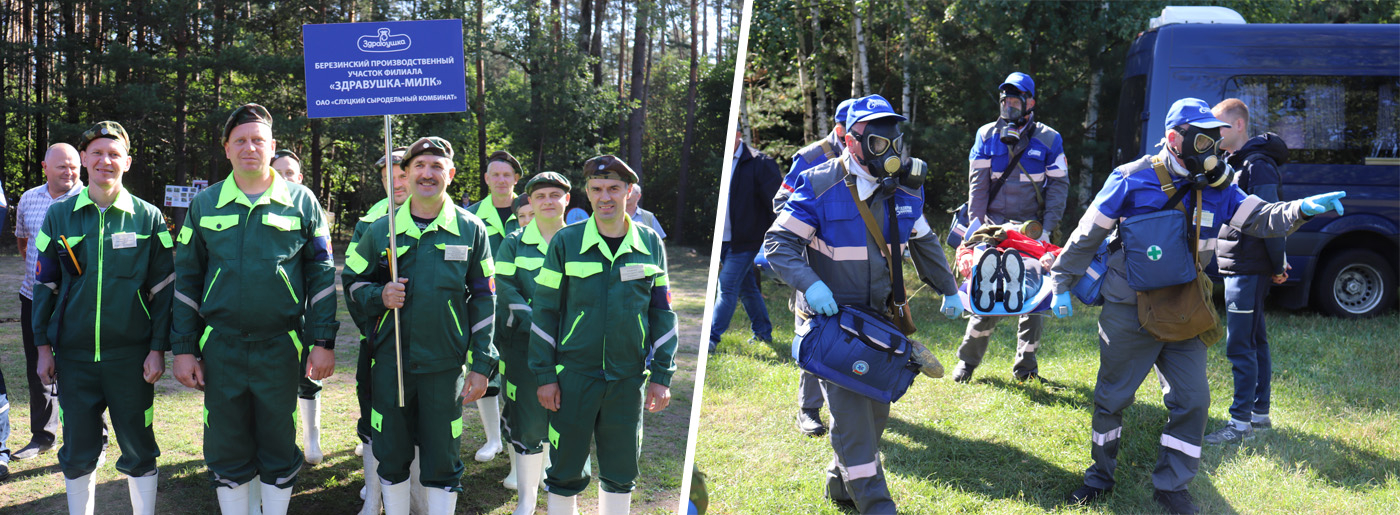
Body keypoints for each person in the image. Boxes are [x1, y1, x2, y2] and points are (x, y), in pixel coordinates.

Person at [1051, 98, 1345, 515]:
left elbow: (1259, 218)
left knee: (1193, 401)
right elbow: (1087, 234)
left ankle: (1172, 485)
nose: (1215, 145)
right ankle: (1099, 478)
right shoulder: (1130, 179)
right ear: (1175, 139)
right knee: (1112, 400)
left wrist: (1301, 210)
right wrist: (1061, 283)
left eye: (1216, 135)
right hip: (1129, 306)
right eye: (1204, 137)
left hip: (1186, 305)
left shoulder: (1219, 186)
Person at [764, 95, 961, 513]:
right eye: (877, 141)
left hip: (880, 324)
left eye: (894, 139)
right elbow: (778, 244)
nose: (889, 150)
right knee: (855, 426)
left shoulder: (904, 190)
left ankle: (840, 487)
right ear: (852, 142)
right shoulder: (820, 184)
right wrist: (812, 285)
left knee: (874, 414)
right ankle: (876, 505)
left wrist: (950, 289)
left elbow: (923, 241)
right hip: (834, 325)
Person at [170, 103, 338, 514]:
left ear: (272, 146)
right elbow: (187, 278)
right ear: (226, 148)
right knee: (226, 444)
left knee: (279, 441)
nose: (250, 147)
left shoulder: (301, 202)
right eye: (240, 140)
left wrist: (323, 340)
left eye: (258, 140)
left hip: (280, 345)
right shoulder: (204, 204)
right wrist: (184, 347)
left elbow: (321, 276)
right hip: (221, 347)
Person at [343, 136, 498, 514]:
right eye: (419, 166)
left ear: (451, 174)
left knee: (443, 454)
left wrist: (481, 365)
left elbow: (484, 298)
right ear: (407, 173)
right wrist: (379, 297)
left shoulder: (471, 229)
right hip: (391, 363)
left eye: (436, 167)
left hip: (444, 367)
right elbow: (352, 282)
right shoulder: (382, 229)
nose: (427, 174)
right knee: (391, 450)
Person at [31, 121, 174, 514]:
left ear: (126, 162)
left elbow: (163, 291)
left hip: (131, 360)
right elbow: (44, 287)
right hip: (74, 359)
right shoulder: (59, 217)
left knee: (139, 447)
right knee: (77, 449)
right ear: (84, 160)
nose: (105, 161)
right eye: (96, 153)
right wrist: (43, 347)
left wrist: (158, 348)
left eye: (114, 154)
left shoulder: (148, 218)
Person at [528, 155, 677, 515]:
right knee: (564, 467)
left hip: (627, 379)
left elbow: (661, 312)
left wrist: (661, 375)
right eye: (597, 189)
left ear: (630, 192)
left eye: (614, 188)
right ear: (587, 193)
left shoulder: (649, 243)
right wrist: (546, 375)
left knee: (621, 468)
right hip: (573, 377)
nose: (605, 196)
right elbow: (545, 312)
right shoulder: (566, 242)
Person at [951, 72, 1068, 384]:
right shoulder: (987, 136)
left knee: (1035, 297)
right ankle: (967, 363)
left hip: (1031, 235)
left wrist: (1046, 231)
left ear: (1030, 102)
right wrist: (975, 238)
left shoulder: (1048, 139)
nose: (1009, 105)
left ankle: (1026, 368)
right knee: (987, 293)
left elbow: (1058, 188)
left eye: (1016, 99)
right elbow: (977, 191)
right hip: (993, 231)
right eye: (1005, 99)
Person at [1205, 98, 1290, 444]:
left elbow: (1273, 218)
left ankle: (1240, 425)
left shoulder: (1257, 166)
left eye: (1219, 126)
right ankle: (1259, 415)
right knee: (1255, 340)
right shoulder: (1231, 163)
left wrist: (1277, 261)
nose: (1214, 133)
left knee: (1241, 344)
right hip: (1240, 264)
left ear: (1239, 125)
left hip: (1249, 266)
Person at [495, 171, 572, 514]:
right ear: (530, 201)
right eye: (540, 196)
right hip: (524, 349)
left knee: (568, 423)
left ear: (567, 199)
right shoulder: (513, 242)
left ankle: (562, 500)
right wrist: (542, 326)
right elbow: (505, 289)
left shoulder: (579, 241)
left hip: (572, 350)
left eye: (555, 195)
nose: (548, 201)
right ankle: (526, 502)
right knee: (527, 423)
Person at [778, 98, 855, 438]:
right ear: (840, 130)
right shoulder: (810, 158)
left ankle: (851, 402)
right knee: (813, 336)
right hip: (814, 265)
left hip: (855, 265)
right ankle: (808, 409)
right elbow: (782, 202)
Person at [345, 146, 414, 514]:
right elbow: (354, 284)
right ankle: (373, 495)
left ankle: (414, 492)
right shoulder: (369, 222)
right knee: (373, 413)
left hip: (423, 343)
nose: (396, 182)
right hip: (377, 342)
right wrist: (374, 328)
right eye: (388, 176)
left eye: (401, 174)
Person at [13, 143, 84, 461]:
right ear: (45, 167)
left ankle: (93, 435)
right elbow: (23, 242)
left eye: (74, 166)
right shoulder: (28, 198)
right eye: (62, 166)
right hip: (33, 298)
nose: (69, 172)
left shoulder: (90, 199)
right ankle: (43, 436)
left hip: (77, 301)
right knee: (38, 367)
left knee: (82, 369)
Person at [268, 147, 328, 465]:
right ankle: (282, 443)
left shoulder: (308, 209)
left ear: (300, 178)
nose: (285, 178)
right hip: (276, 318)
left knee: (310, 377)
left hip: (306, 313)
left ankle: (312, 439)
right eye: (278, 172)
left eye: (290, 173)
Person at [463, 150, 523, 464]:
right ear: (486, 179)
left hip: (519, 308)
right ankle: (493, 439)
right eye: (495, 175)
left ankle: (519, 440)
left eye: (507, 175)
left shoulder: (529, 212)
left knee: (518, 375)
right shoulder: (471, 215)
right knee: (482, 366)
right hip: (483, 307)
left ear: (516, 179)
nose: (501, 180)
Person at [709, 131, 779, 354]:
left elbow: (776, 204)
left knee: (727, 286)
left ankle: (710, 339)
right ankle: (763, 333)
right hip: (722, 240)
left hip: (747, 240)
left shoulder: (761, 163)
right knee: (747, 288)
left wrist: (773, 238)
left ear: (739, 134)